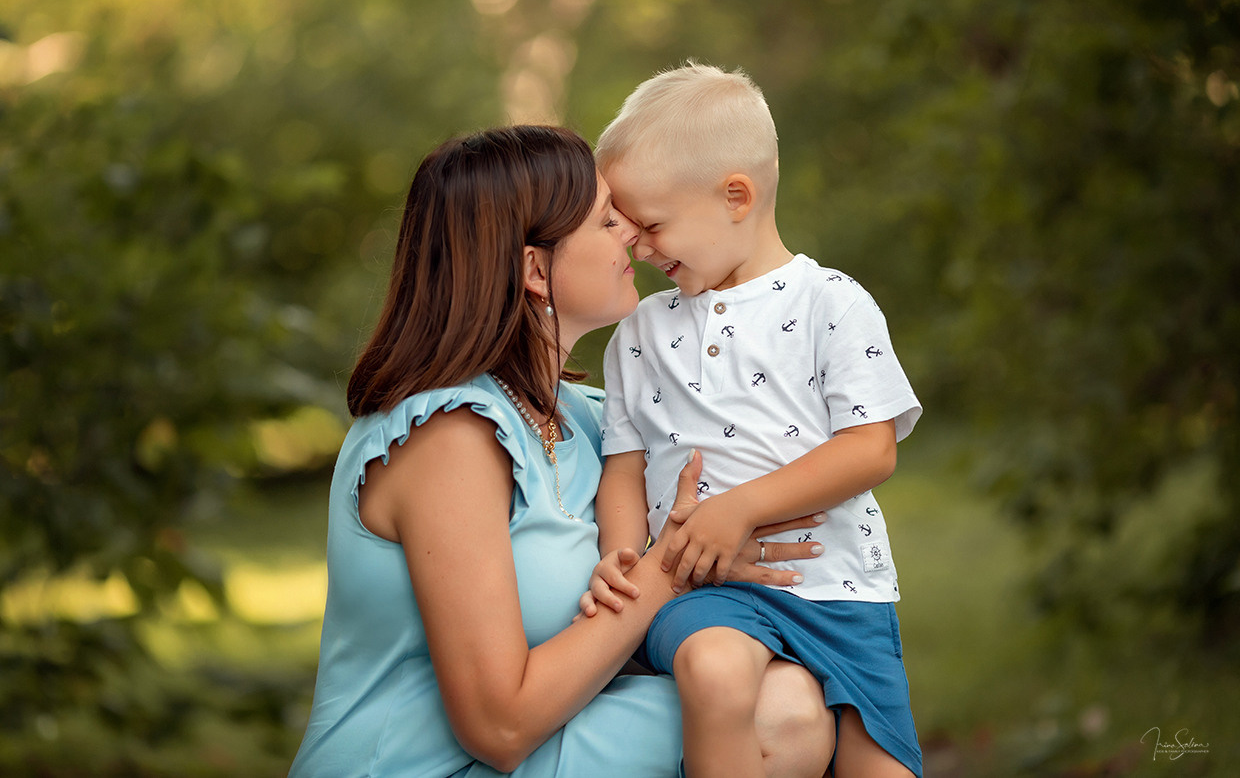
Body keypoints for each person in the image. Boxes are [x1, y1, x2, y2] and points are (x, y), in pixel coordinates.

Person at [288, 124, 835, 778]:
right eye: (607, 220)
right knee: (775, 714)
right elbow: (500, 723)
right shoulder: (448, 437)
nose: (632, 232)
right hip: (427, 766)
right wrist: (675, 564)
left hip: (546, 747)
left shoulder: (592, 419)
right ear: (535, 269)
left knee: (780, 695)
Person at [580, 63, 924, 777]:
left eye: (652, 223)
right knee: (713, 668)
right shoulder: (640, 333)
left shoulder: (833, 303)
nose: (638, 246)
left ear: (735, 195)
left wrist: (739, 508)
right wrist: (619, 552)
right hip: (707, 591)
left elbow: (870, 448)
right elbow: (625, 462)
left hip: (839, 589)